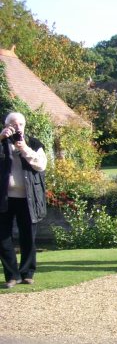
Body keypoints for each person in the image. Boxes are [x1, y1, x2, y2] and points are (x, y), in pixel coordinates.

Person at [0, 112, 47, 288]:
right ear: (6, 125)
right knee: (3, 238)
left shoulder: (34, 144)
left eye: (20, 124)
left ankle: (27, 273)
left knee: (28, 237)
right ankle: (12, 276)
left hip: (28, 198)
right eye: (13, 124)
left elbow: (41, 165)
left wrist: (24, 148)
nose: (17, 127)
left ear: (24, 126)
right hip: (4, 198)